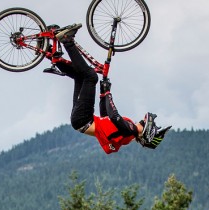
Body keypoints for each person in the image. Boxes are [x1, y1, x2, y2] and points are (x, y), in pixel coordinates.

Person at [48, 23, 170, 153]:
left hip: (84, 119)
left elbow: (113, 115)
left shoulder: (130, 131)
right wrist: (103, 93)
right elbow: (105, 115)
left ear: (147, 133)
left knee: (91, 76)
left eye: (154, 127)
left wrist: (107, 93)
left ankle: (67, 40)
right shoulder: (128, 132)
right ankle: (50, 53)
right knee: (80, 77)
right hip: (82, 121)